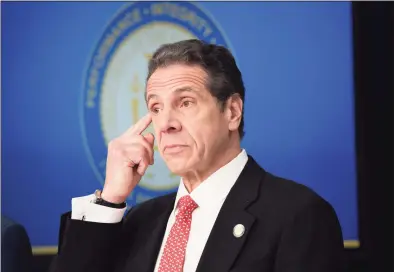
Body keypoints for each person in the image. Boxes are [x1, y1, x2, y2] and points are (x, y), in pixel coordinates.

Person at [50, 39, 345, 272]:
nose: (166, 123)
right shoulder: (141, 220)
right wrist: (110, 199)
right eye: (156, 108)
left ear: (232, 112)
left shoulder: (298, 215)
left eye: (186, 102)